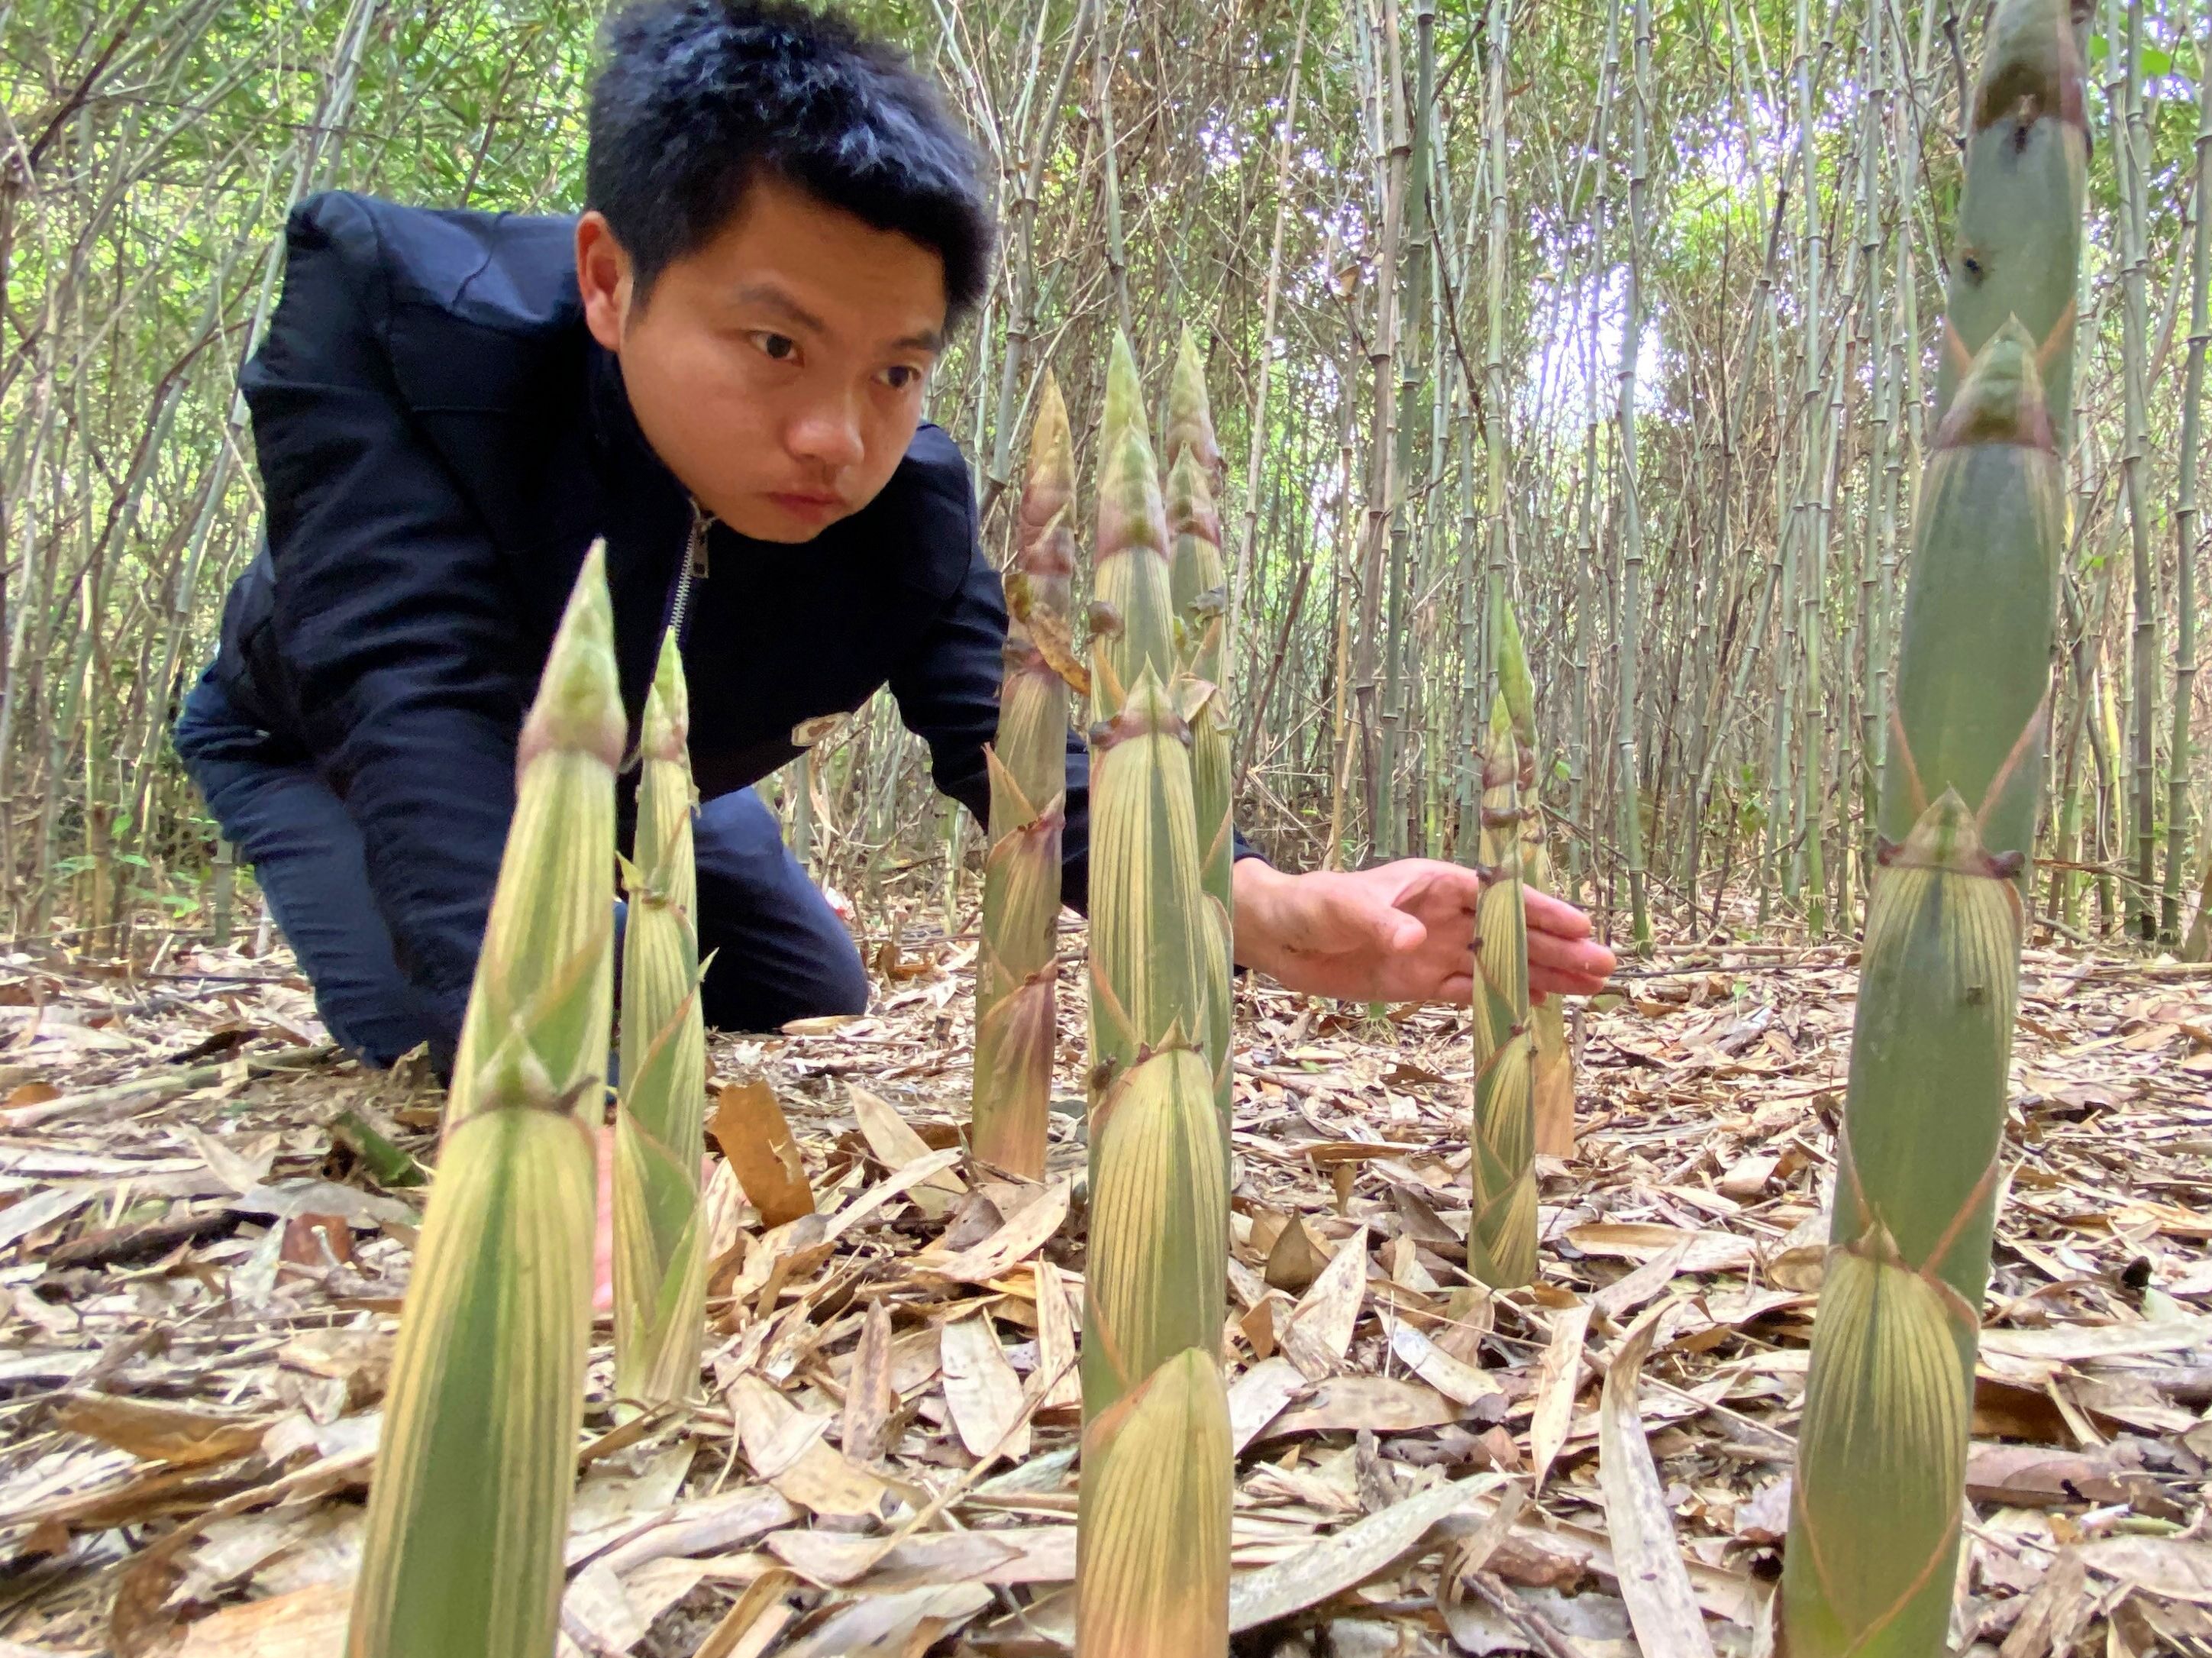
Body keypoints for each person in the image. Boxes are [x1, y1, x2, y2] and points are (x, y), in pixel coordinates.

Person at [174, 0, 1615, 1072]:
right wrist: (552, 1097)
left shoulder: (898, 509)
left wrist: (1276, 910)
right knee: (485, 1028)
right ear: (611, 282)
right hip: (326, 747)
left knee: (807, 992)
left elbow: (1037, 770)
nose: (836, 438)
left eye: (895, 370)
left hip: (655, 767)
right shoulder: (405, 331)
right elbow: (412, 701)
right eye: (775, 345)